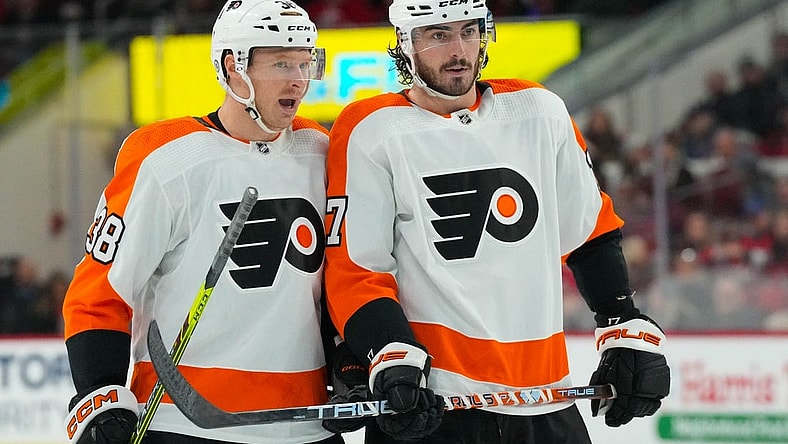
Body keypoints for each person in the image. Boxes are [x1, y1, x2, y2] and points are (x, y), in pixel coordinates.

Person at [322, 0, 671, 442]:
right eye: (438, 35)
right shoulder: (372, 129)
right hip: (432, 402)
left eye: (469, 31)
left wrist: (621, 321)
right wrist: (386, 353)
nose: (459, 51)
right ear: (405, 44)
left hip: (546, 397)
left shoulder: (538, 110)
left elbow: (590, 233)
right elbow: (357, 271)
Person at [61, 1, 347, 443]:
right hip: (185, 420)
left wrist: (353, 362)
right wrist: (99, 392)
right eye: (281, 63)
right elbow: (101, 291)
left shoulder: (322, 151)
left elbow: (345, 278)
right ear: (234, 66)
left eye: (306, 62)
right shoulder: (166, 158)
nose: (298, 79)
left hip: (304, 423)